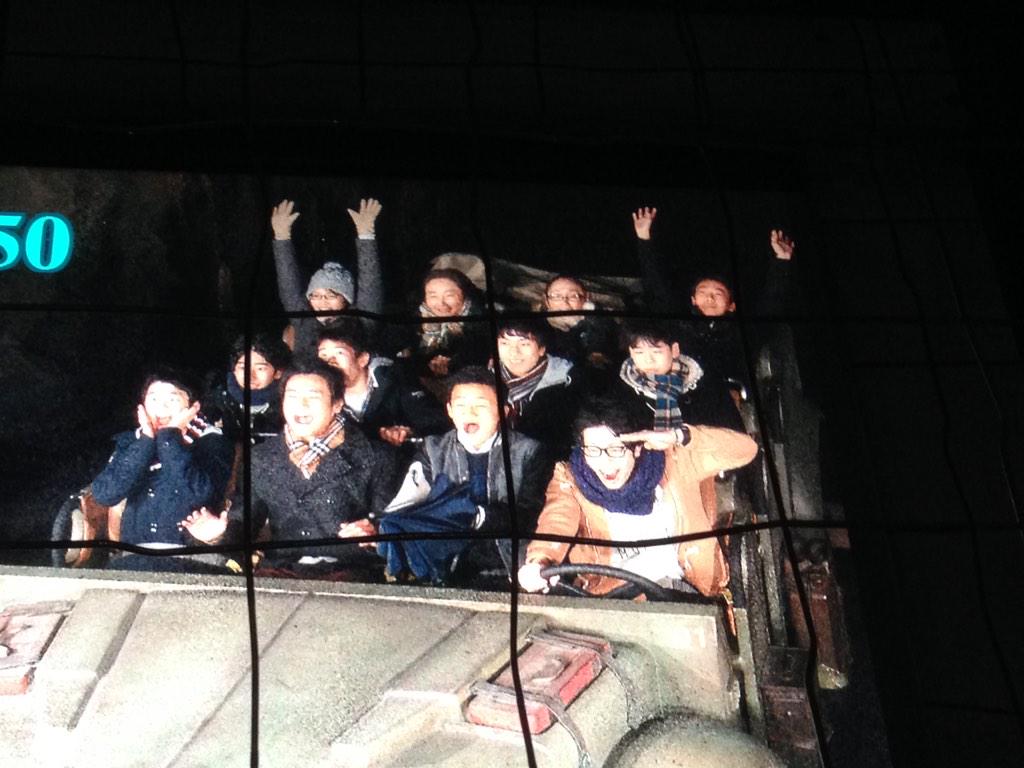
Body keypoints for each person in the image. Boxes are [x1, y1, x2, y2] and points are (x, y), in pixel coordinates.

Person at [517, 396, 757, 596]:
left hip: (684, 587)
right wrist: (539, 562)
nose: (605, 463)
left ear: (638, 447)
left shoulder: (675, 460)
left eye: (616, 450)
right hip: (615, 597)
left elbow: (746, 450)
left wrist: (679, 436)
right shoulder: (570, 479)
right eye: (593, 450)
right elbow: (555, 524)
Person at [184, 362, 398, 576]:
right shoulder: (261, 457)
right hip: (284, 571)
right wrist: (218, 535)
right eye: (292, 396)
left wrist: (374, 532)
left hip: (354, 571)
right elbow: (244, 522)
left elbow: (395, 523)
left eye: (313, 397)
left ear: (337, 404)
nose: (301, 406)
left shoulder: (375, 456)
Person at [340, 366, 548, 583]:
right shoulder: (433, 449)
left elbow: (530, 514)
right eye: (460, 405)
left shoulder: (530, 451)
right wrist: (375, 526)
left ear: (503, 412)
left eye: (481, 406)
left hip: (512, 567)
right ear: (449, 410)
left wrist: (477, 516)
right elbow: (408, 498)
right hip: (450, 568)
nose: (469, 413)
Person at [91, 368, 234, 549]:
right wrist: (146, 442)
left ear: (194, 407)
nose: (161, 407)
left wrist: (168, 438)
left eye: (172, 399)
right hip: (135, 553)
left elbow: (198, 495)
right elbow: (104, 494)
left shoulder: (212, 441)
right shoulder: (132, 442)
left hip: (188, 553)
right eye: (153, 399)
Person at [269, 198, 384, 364]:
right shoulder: (303, 321)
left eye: (331, 295)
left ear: (346, 299)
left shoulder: (361, 322)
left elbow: (370, 283)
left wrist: (366, 235)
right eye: (315, 295)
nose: (322, 302)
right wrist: (281, 238)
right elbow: (288, 284)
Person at [316, 320, 448, 446]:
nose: (330, 362)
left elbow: (436, 424)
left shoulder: (397, 380)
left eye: (339, 353)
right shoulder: (317, 395)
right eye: (323, 355)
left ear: (362, 359)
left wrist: (409, 433)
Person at [617, 321, 746, 433]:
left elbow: (733, 433)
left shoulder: (705, 385)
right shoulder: (621, 391)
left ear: (674, 350)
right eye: (639, 352)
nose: (649, 360)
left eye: (656, 351)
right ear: (631, 353)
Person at [493, 318, 580, 457]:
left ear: (541, 349)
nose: (514, 352)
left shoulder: (569, 382)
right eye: (505, 343)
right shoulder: (485, 380)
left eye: (524, 344)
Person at [202, 332, 291, 445]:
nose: (250, 376)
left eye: (260, 369)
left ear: (278, 372)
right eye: (243, 367)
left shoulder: (289, 403)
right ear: (234, 369)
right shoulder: (218, 400)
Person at [403, 267, 491, 381]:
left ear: (463, 294)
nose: (441, 303)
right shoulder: (414, 320)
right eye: (433, 296)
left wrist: (453, 363)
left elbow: (479, 352)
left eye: (449, 296)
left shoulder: (481, 321)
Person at [538, 274, 618, 374]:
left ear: (586, 298)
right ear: (547, 301)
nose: (564, 302)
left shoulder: (602, 324)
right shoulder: (539, 327)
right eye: (556, 296)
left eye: (573, 296)